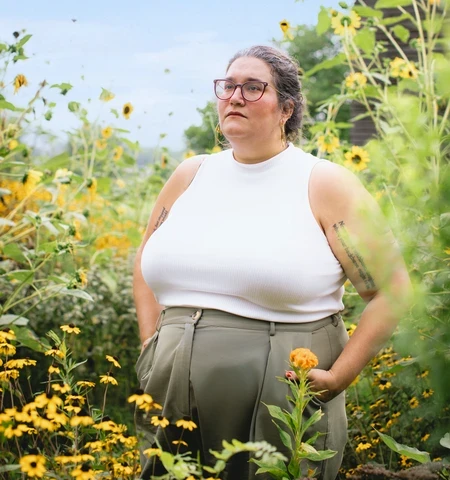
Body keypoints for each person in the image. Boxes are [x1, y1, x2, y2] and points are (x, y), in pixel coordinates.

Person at [132, 45, 411, 480]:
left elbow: (390, 290)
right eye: (228, 86)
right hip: (169, 388)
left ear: (287, 108)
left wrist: (339, 377)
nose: (235, 97)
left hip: (279, 395)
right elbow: (146, 258)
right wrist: (151, 344)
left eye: (253, 87)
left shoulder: (324, 183)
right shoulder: (191, 174)